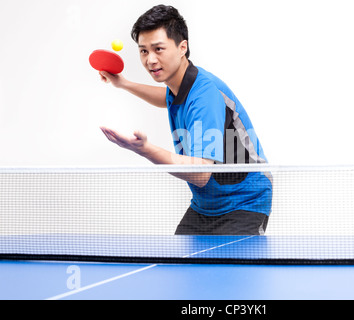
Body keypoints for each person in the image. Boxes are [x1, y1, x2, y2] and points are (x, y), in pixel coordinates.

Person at [99, 5, 272, 235]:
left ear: (183, 47)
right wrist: (124, 83)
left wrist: (144, 149)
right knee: (179, 265)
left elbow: (200, 175)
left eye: (158, 49)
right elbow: (166, 98)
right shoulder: (180, 86)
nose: (150, 60)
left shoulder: (205, 94)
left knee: (229, 270)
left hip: (245, 201)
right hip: (206, 204)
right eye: (143, 51)